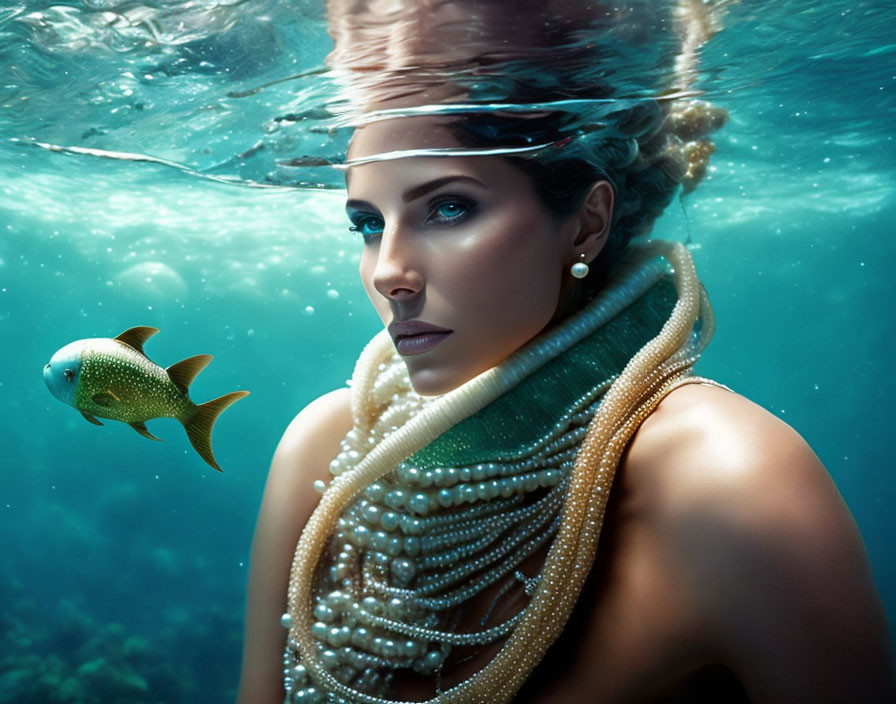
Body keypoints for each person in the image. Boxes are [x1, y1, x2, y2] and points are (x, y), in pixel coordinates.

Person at [238, 2, 895, 702]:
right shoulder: (322, 448)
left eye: (449, 207)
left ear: (586, 222)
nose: (388, 271)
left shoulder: (728, 480)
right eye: (368, 224)